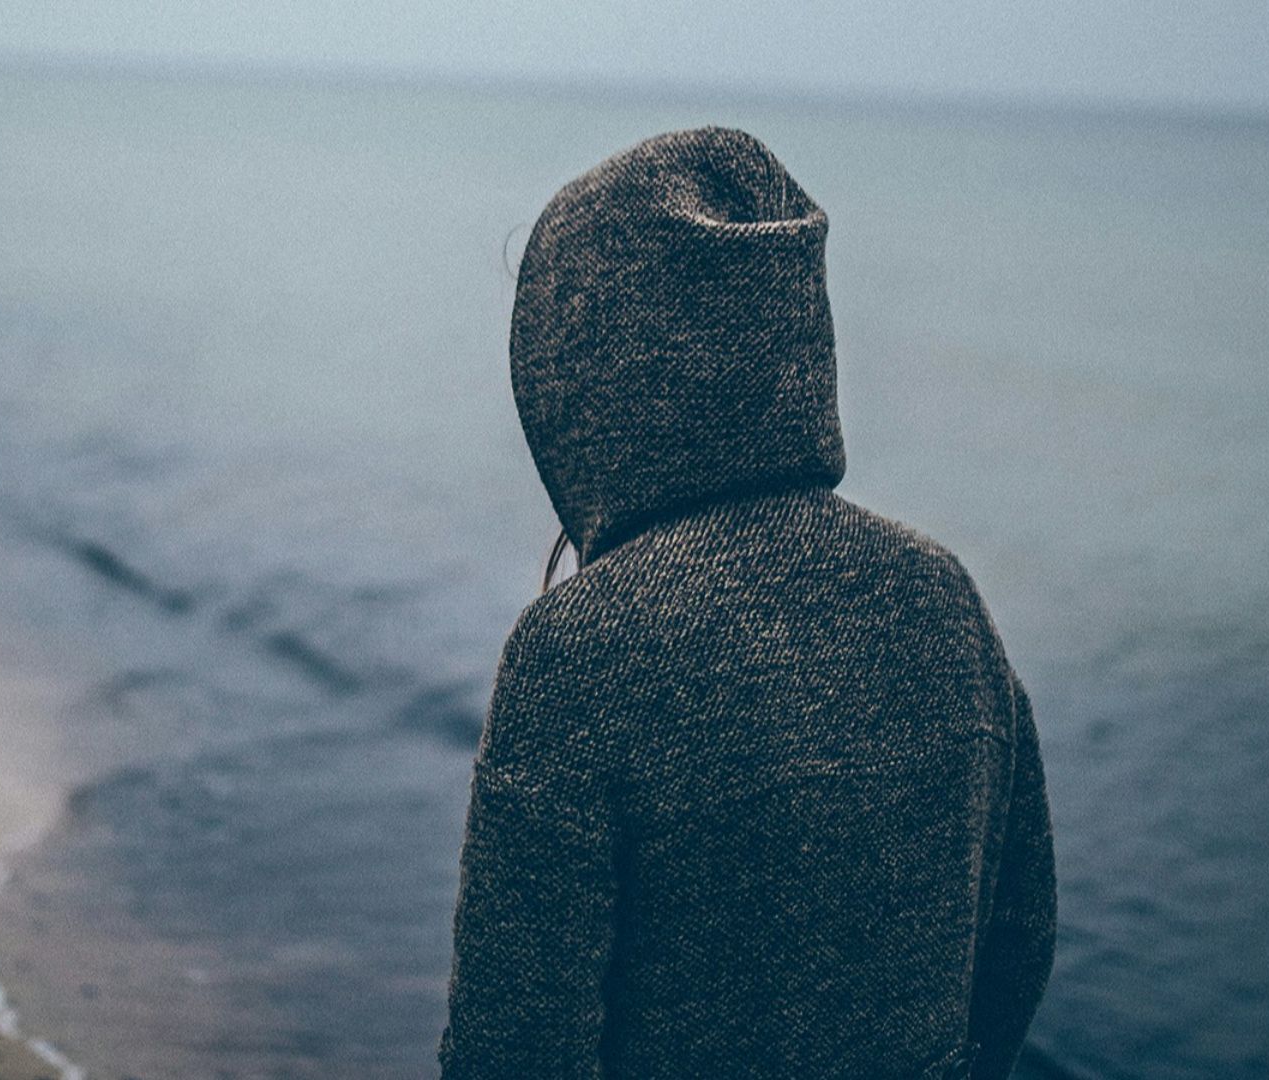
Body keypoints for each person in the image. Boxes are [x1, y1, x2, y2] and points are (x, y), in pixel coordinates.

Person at [439, 126, 1055, 1080]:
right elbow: (1017, 944)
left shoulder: (582, 651)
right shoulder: (944, 599)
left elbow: (513, 1047)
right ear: (794, 335)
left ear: (581, 370)